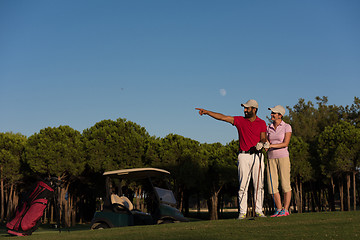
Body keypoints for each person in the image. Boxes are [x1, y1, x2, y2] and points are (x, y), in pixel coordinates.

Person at [196, 99, 267, 219]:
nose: (244, 110)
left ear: (254, 110)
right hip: (244, 156)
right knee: (243, 185)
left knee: (259, 185)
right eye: (244, 108)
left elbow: (263, 137)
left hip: (258, 156)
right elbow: (223, 117)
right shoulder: (239, 120)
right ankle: (242, 212)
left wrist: (264, 143)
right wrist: (208, 112)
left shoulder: (262, 122)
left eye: (247, 108)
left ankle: (259, 211)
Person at [265, 105, 292, 217]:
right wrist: (265, 144)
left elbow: (286, 143)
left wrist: (270, 145)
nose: (272, 114)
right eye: (272, 112)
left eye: (274, 113)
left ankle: (285, 209)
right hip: (271, 158)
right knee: (272, 186)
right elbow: (266, 141)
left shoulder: (286, 127)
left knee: (285, 184)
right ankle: (279, 208)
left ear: (280, 115)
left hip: (283, 157)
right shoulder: (268, 127)